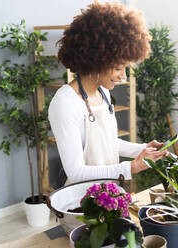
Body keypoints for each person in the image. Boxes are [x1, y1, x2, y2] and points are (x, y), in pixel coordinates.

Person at [48, 1, 168, 185]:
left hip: (109, 193)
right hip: (82, 201)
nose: (123, 76)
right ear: (97, 61)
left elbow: (107, 144)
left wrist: (143, 149)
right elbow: (75, 171)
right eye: (119, 68)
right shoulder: (65, 103)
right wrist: (131, 168)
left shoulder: (102, 92)